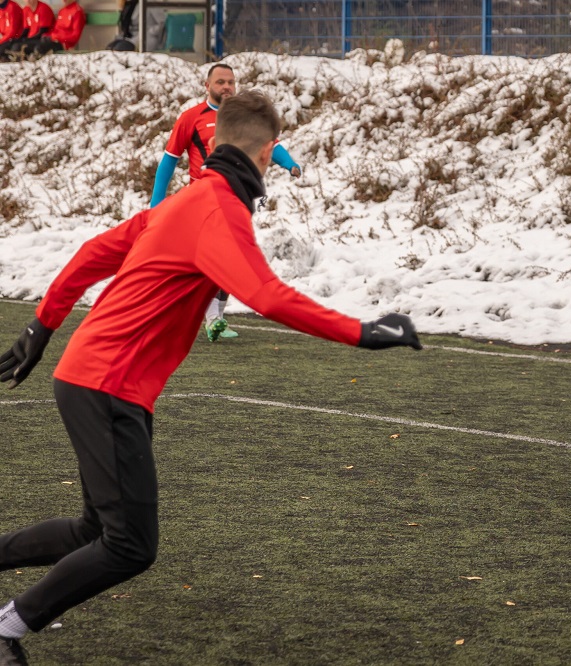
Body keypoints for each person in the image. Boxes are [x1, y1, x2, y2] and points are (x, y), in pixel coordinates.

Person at [0, 89, 421, 665]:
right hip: (107, 385)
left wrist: (43, 325)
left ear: (215, 140)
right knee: (129, 545)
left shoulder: (188, 200)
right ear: (269, 153)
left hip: (94, 377)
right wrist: (363, 332)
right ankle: (9, 625)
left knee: (94, 531)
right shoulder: (219, 209)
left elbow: (95, 251)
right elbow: (266, 295)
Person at [150, 63, 304, 342]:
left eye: (231, 82)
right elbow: (169, 161)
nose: (226, 87)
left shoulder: (245, 117)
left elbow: (272, 144)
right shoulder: (191, 118)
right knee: (215, 256)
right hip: (203, 201)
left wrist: (290, 164)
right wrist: (156, 204)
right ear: (207, 86)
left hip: (237, 201)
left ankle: (213, 317)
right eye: (220, 82)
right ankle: (211, 318)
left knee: (233, 259)